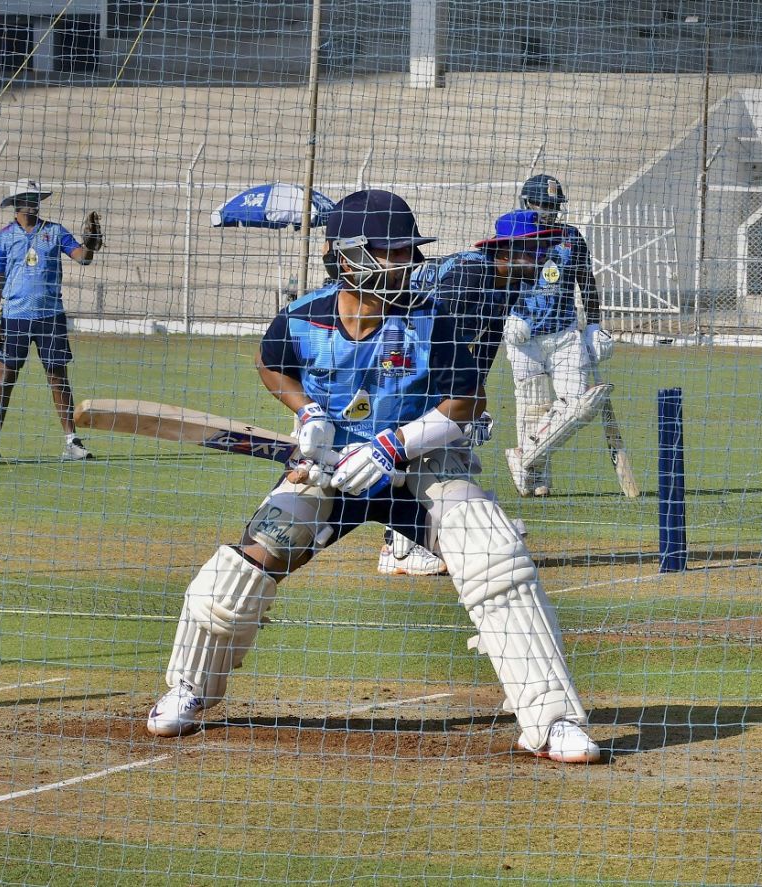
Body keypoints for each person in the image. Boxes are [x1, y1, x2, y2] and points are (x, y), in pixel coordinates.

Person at [145, 189, 600, 763]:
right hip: (331, 472)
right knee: (245, 566)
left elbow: (466, 400)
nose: (405, 264)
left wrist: (391, 447)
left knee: (492, 553)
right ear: (347, 256)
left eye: (408, 252)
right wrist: (307, 412)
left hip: (420, 466)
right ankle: (188, 686)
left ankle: (553, 721)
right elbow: (271, 364)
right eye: (391, 253)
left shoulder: (431, 320)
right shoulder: (302, 318)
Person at [375, 207, 563, 576]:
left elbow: (487, 341)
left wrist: (473, 398)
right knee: (414, 447)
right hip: (394, 354)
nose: (544, 258)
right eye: (536, 249)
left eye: (545, 249)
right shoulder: (472, 272)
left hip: (427, 362)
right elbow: (432, 337)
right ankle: (396, 549)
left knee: (450, 453)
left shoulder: (511, 282)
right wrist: (448, 399)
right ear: (507, 251)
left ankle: (452, 534)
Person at [500, 175, 615, 497]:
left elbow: (586, 281)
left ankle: (524, 458)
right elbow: (497, 280)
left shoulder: (571, 237)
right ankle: (535, 477)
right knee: (533, 409)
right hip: (525, 337)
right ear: (527, 204)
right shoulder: (515, 234)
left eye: (554, 206)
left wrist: (593, 325)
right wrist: (507, 317)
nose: (550, 212)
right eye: (544, 205)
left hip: (564, 334)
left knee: (578, 404)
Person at [0, 179, 103, 461]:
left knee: (58, 378)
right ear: (16, 203)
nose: (32, 202)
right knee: (5, 377)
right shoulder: (3, 237)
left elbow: (82, 258)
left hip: (50, 316)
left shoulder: (56, 231)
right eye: (26, 198)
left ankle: (72, 442)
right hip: (14, 317)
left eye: (35, 198)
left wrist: (91, 245)